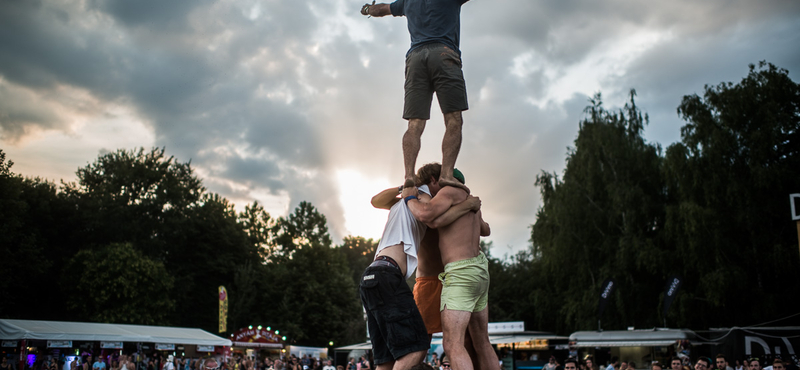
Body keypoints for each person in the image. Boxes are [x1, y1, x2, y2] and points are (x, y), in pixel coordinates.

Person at [364, 180, 481, 370]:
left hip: (377, 276)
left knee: (386, 359)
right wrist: (408, 189)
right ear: (434, 182)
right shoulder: (417, 204)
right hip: (411, 278)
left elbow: (481, 229)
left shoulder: (422, 204)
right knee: (417, 345)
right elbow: (377, 201)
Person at [359, 0, 473, 192]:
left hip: (415, 59)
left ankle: (409, 176)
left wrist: (368, 9)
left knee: (414, 125)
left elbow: (381, 9)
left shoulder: (408, 1)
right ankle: (446, 174)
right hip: (444, 53)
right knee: (453, 120)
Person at [403, 164, 494, 370]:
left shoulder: (445, 195)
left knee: (452, 344)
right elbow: (485, 229)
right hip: (476, 269)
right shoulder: (465, 202)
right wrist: (468, 207)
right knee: (480, 342)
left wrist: (410, 198)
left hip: (458, 272)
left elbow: (430, 219)